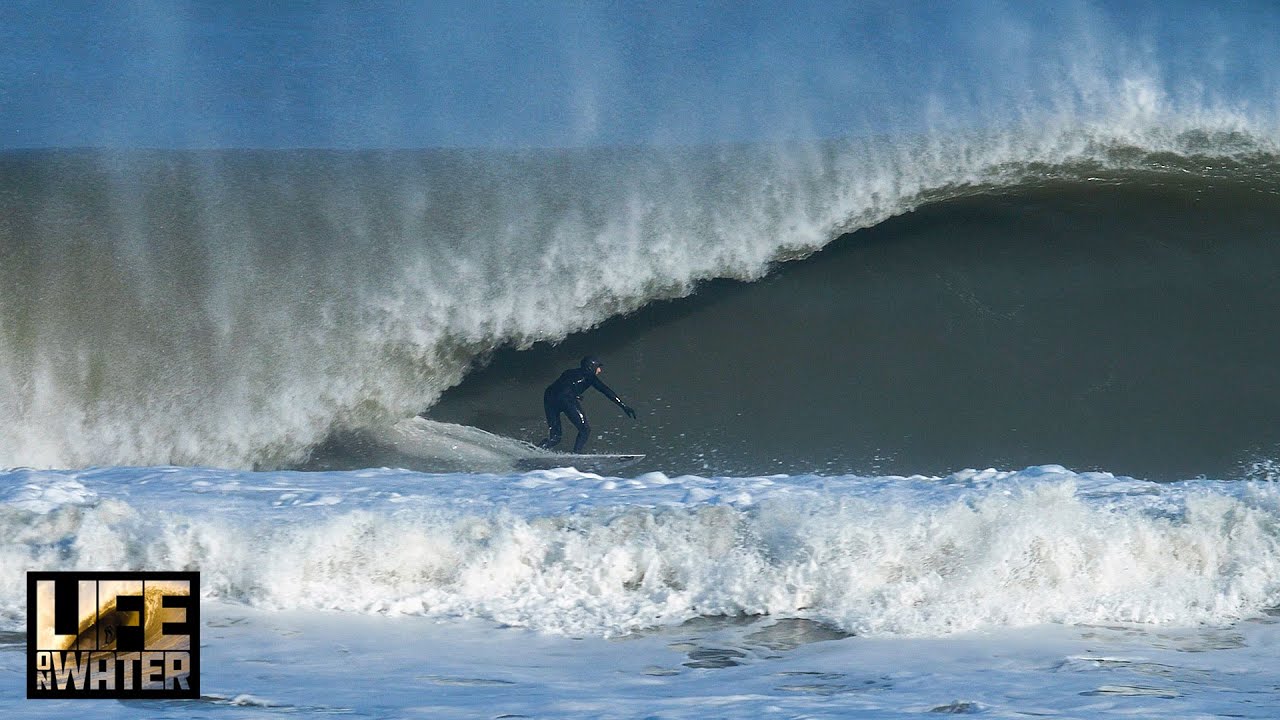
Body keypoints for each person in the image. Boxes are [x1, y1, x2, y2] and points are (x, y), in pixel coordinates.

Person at [538, 355, 637, 453]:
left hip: (549, 398)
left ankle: (535, 451)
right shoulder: (590, 377)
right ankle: (576, 454)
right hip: (566, 399)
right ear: (591, 367)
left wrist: (575, 395)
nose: (599, 370)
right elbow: (606, 391)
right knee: (585, 429)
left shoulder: (569, 372)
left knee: (555, 437)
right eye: (598, 367)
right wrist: (623, 406)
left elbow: (560, 387)